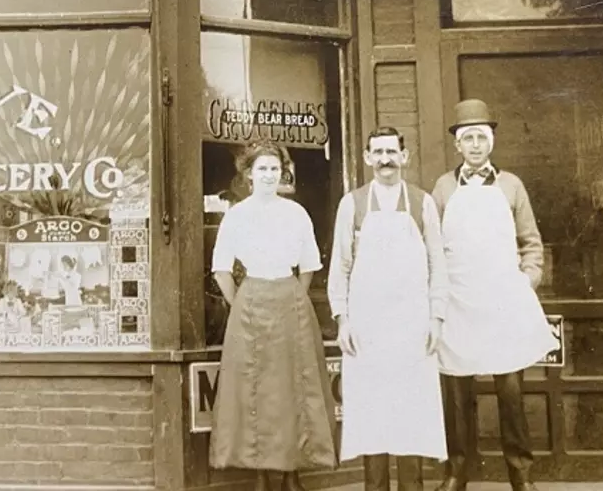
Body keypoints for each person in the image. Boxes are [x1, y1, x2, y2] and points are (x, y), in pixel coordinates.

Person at [432, 99, 559, 491]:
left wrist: (526, 281)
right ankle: (457, 471)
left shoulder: (511, 185)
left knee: (511, 392)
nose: (474, 145)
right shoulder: (442, 187)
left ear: (492, 141)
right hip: (458, 302)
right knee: (457, 392)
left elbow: (531, 243)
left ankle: (520, 474)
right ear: (456, 144)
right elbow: (431, 246)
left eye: (481, 137)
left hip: (503, 300)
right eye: (467, 137)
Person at [326, 126, 449, 491]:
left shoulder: (421, 202)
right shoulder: (353, 203)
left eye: (391, 152)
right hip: (367, 330)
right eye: (377, 153)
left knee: (410, 413)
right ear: (367, 158)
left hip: (412, 327)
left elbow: (437, 264)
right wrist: (342, 321)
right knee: (373, 413)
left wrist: (436, 318)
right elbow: (341, 267)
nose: (385, 160)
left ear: (404, 156)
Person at [209, 140, 336, 491]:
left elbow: (309, 264)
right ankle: (262, 475)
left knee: (293, 386)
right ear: (249, 175)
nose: (268, 175)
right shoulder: (237, 215)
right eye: (262, 169)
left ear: (283, 173)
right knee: (256, 389)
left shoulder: (295, 213)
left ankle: (292, 473)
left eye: (274, 169)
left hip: (289, 301)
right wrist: (242, 303)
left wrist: (291, 292)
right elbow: (221, 269)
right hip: (251, 301)